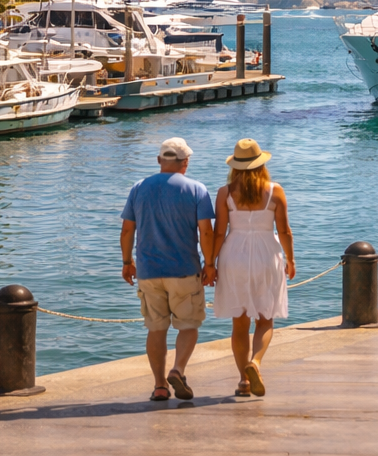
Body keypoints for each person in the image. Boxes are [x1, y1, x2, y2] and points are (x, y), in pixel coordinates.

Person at [121, 137, 216, 403]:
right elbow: (206, 231)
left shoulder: (139, 188)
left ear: (159, 161)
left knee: (156, 329)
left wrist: (127, 261)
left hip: (149, 272)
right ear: (185, 163)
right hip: (185, 270)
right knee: (188, 325)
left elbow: (128, 229)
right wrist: (209, 264)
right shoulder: (197, 189)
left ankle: (160, 386)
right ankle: (179, 369)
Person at [210, 139, 296, 398]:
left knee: (240, 321)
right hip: (266, 254)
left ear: (235, 166)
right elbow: (284, 231)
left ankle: (243, 382)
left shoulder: (225, 193)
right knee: (265, 318)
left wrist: (210, 264)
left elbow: (218, 232)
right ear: (261, 164)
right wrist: (291, 260)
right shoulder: (275, 191)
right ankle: (255, 363)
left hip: (233, 254)